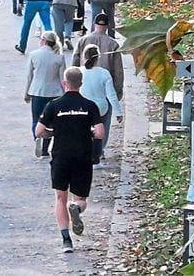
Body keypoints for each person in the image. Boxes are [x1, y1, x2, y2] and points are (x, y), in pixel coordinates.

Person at [36, 67, 105, 253]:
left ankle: (66, 240)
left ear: (64, 83)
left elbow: (39, 132)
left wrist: (55, 131)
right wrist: (88, 131)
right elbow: (99, 133)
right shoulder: (90, 106)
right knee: (80, 197)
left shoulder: (54, 105)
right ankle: (76, 208)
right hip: (83, 155)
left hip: (61, 155)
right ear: (81, 84)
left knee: (60, 197)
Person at [79, 44, 123, 164]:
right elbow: (111, 95)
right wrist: (119, 112)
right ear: (98, 57)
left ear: (84, 57)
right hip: (101, 108)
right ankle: (99, 152)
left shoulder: (78, 72)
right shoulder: (104, 73)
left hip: (83, 107)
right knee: (101, 129)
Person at [25, 31, 65, 157]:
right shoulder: (59, 57)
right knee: (51, 122)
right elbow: (62, 77)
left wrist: (26, 92)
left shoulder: (34, 55)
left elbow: (29, 76)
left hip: (37, 91)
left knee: (36, 119)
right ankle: (45, 148)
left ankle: (37, 137)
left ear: (43, 40)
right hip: (54, 93)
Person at [73, 13, 125, 104]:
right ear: (108, 26)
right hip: (105, 88)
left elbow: (74, 64)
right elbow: (118, 71)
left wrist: (73, 85)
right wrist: (118, 91)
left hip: (85, 86)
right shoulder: (113, 44)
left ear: (94, 24)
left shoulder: (82, 40)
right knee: (105, 116)